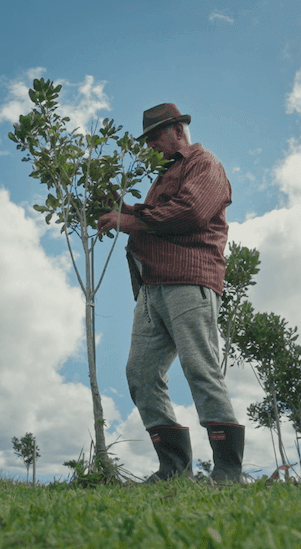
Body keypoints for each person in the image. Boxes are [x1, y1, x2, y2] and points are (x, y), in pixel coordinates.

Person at [97, 103, 244, 484]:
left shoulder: (203, 163)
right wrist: (120, 208)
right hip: (152, 287)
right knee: (141, 373)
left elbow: (190, 213)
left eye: (154, 137)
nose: (149, 147)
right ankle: (173, 469)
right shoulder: (163, 175)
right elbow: (150, 215)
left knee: (200, 367)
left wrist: (128, 220)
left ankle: (228, 470)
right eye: (145, 140)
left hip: (189, 279)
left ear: (177, 130)